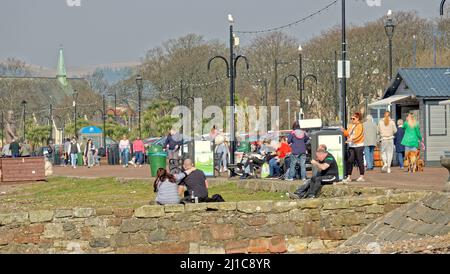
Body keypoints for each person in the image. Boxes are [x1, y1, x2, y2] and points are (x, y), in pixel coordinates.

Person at [341, 112, 365, 182]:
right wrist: (344, 131)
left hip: (359, 145)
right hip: (351, 145)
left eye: (353, 118)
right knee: (350, 160)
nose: (352, 120)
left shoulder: (360, 125)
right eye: (351, 118)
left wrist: (352, 139)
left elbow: (359, 135)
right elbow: (347, 134)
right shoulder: (351, 125)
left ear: (358, 118)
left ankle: (361, 176)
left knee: (359, 160)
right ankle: (349, 176)